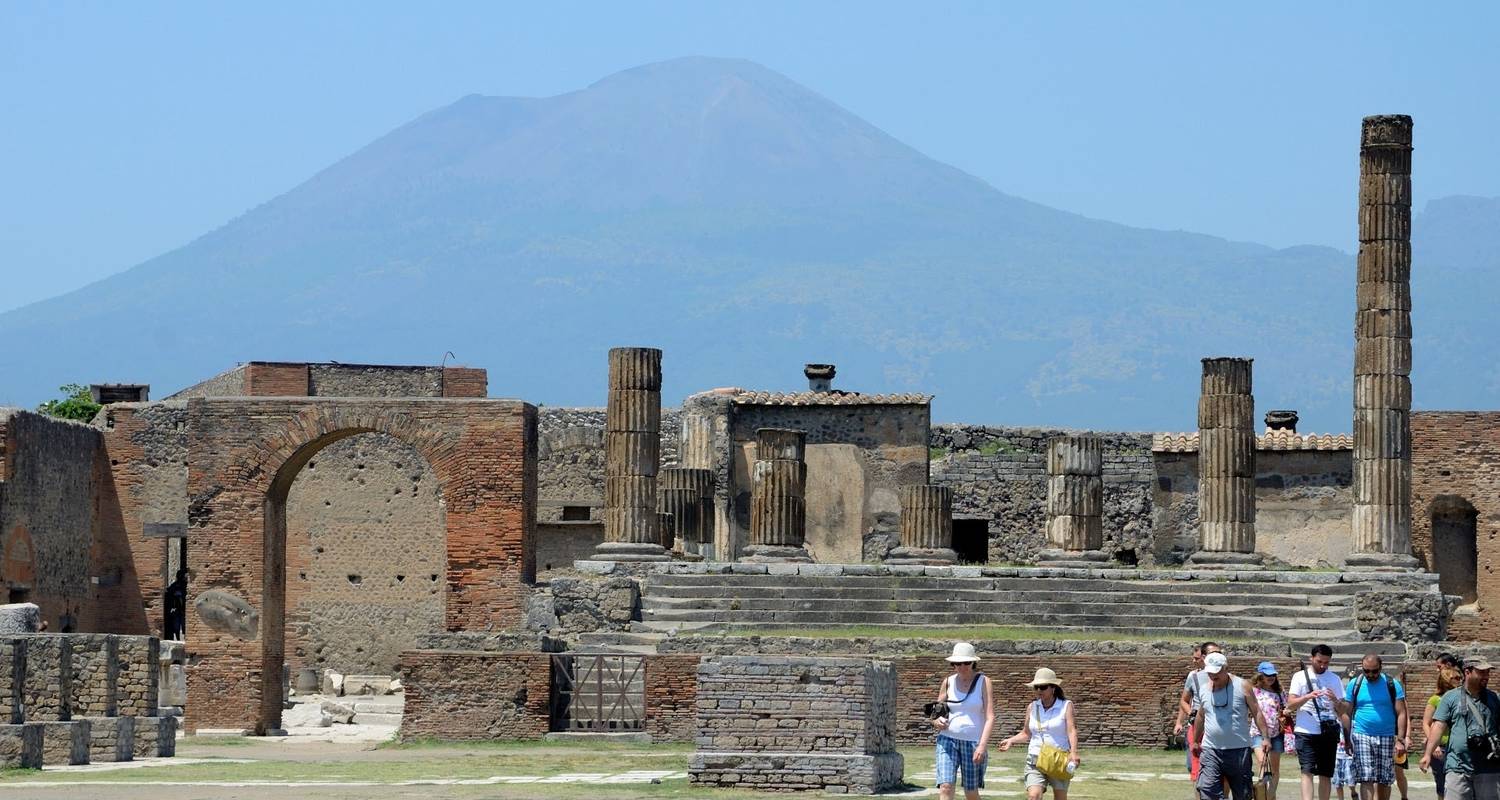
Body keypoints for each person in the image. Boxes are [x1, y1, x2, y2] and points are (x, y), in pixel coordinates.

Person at [1192, 652, 1273, 800]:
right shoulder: (1204, 689)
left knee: (1243, 794)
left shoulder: (1243, 685)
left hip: (1239, 750)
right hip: (1211, 750)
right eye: (1209, 672)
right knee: (1207, 788)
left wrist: (1265, 737)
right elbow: (1201, 716)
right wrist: (1196, 740)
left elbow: (1257, 712)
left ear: (1225, 668)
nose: (1213, 676)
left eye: (1216, 672)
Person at [1421, 657, 1500, 800]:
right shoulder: (1450, 698)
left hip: (1489, 766)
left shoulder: (1494, 698)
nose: (1486, 676)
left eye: (1488, 672)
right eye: (1482, 672)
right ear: (1468, 672)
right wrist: (1428, 754)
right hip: (1457, 765)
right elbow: (1438, 726)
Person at [998, 667, 1081, 799]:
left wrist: (1074, 752)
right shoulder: (1032, 707)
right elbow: (1026, 733)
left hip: (1058, 760)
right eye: (1036, 687)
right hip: (1035, 759)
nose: (1038, 690)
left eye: (1042, 687)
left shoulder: (1065, 706)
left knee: (1060, 797)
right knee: (1033, 796)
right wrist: (1011, 740)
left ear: (1053, 688)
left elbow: (1072, 730)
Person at [931, 642, 995, 800]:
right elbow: (935, 711)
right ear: (953, 664)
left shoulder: (983, 682)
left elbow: (990, 716)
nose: (962, 666)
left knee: (971, 791)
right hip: (947, 740)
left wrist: (982, 746)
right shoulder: (948, 681)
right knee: (946, 786)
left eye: (967, 662)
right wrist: (936, 721)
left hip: (973, 742)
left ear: (974, 662)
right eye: (958, 663)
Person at [1288, 644, 1352, 800]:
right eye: (1319, 661)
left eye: (1326, 662)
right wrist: (1307, 697)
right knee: (1307, 771)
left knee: (1325, 773)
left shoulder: (1334, 679)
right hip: (1305, 730)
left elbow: (1343, 709)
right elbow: (1290, 704)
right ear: (1311, 658)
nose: (1322, 665)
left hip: (1328, 731)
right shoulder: (1299, 677)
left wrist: (1335, 700)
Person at [1345, 654, 1408, 800]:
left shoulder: (1392, 684)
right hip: (1362, 735)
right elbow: (1347, 713)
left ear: (1381, 668)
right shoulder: (1355, 684)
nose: (1370, 675)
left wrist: (1400, 739)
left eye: (1374, 671)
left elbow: (1401, 713)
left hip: (1386, 735)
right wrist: (1347, 739)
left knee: (1384, 778)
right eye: (1366, 671)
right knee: (1366, 777)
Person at [1180, 642, 1224, 786]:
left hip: (1220, 727)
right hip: (1199, 725)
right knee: (1198, 769)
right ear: (1205, 657)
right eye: (1212, 654)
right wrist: (1191, 713)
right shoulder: (1194, 677)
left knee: (1221, 769)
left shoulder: (1229, 677)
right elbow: (1184, 701)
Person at [1252, 661, 1290, 800]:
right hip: (1258, 733)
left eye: (1273, 674)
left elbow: (1287, 708)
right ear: (1260, 676)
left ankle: (1270, 795)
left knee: (1274, 769)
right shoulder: (1253, 691)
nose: (1271, 677)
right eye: (1268, 675)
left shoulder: (1280, 692)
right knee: (1262, 763)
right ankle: (1263, 795)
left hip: (1276, 733)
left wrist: (1285, 713)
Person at [1425, 664, 1464, 798]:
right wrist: (1433, 745)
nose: (1460, 680)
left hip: (1457, 747)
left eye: (1460, 677)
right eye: (1456, 678)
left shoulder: (1463, 698)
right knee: (1441, 783)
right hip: (1440, 747)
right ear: (1447, 680)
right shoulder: (1435, 699)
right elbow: (1426, 723)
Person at [164, 569, 188, 641]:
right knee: (177, 626)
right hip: (177, 610)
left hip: (180, 610)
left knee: (180, 626)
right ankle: (178, 638)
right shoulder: (176, 586)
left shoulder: (179, 585)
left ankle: (180, 638)